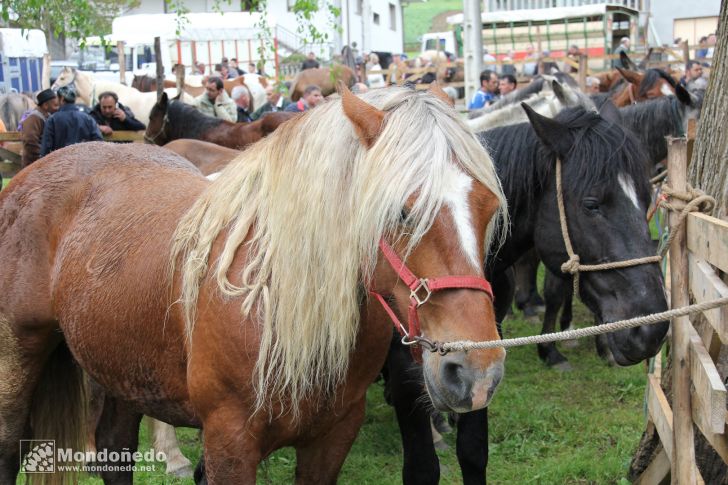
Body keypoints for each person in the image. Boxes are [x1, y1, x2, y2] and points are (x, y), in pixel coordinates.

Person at [40, 86, 102, 157]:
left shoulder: (52, 119)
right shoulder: (88, 118)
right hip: (84, 162)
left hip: (60, 163)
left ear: (62, 99)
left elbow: (46, 148)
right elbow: (99, 142)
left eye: (57, 98)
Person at [21, 89, 59, 168]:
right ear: (45, 105)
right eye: (55, 105)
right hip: (33, 165)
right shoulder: (34, 118)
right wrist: (43, 157)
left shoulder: (46, 116)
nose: (57, 108)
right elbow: (30, 141)